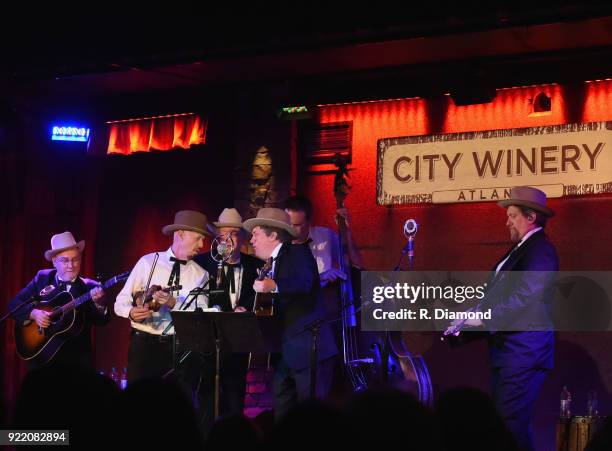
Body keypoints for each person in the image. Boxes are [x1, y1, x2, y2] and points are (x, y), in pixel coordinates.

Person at [446, 186, 558, 451]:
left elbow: (524, 298)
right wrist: (465, 320)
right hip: (509, 353)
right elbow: (496, 298)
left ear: (531, 217)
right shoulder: (519, 250)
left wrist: (481, 318)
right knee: (514, 427)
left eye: (512, 215)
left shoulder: (540, 250)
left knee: (509, 426)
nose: (506, 221)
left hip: (524, 352)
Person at [243, 208, 338, 419]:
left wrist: (274, 285)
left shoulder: (297, 252)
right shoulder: (270, 263)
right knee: (283, 409)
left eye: (256, 234)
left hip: (308, 349)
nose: (252, 240)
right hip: (286, 350)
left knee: (311, 416)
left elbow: (304, 283)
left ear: (273, 235)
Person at [114, 210, 210, 383]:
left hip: (178, 348)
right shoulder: (148, 262)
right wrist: (130, 312)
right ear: (180, 234)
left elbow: (201, 315)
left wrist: (175, 303)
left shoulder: (201, 275)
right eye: (198, 238)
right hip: (143, 346)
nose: (202, 244)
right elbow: (121, 301)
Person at [193, 208, 263, 420]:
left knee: (235, 405)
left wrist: (249, 311)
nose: (228, 239)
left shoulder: (256, 266)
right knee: (207, 406)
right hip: (208, 347)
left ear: (242, 237)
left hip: (238, 348)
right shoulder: (202, 264)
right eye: (223, 234)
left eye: (233, 233)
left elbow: (264, 302)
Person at [8, 231, 108, 369]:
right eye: (65, 260)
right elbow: (14, 305)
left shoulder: (90, 287)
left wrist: (100, 304)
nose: (71, 265)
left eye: (76, 259)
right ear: (54, 261)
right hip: (42, 361)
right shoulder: (43, 277)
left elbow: (102, 321)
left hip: (76, 363)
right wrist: (33, 313)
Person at [284, 195, 363, 288]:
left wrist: (347, 232)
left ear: (309, 222)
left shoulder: (325, 235)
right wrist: (319, 277)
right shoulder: (278, 243)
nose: (290, 229)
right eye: (288, 224)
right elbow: (284, 284)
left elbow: (357, 263)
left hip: (325, 297)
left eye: (296, 225)